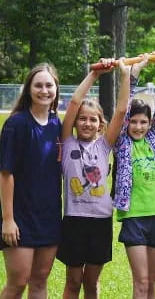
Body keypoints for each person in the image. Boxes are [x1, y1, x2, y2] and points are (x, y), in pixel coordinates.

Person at [57, 58, 130, 299]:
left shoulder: (104, 146)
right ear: (75, 122)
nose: (87, 123)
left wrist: (124, 75)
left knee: (91, 281)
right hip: (74, 220)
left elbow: (121, 110)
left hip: (100, 221)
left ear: (101, 124)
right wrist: (94, 75)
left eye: (93, 119)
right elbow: (75, 101)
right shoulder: (68, 144)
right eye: (82, 118)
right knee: (73, 280)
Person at [113, 53, 155, 299]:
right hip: (135, 217)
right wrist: (133, 74)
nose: (138, 126)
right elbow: (121, 110)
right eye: (134, 122)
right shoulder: (121, 142)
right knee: (140, 281)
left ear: (150, 124)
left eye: (143, 122)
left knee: (152, 281)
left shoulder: (153, 139)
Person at [0, 63, 62, 298]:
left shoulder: (57, 124)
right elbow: (5, 173)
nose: (44, 90)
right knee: (18, 281)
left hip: (49, 216)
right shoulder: (17, 124)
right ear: (28, 89)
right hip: (20, 217)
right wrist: (8, 220)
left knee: (39, 281)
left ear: (56, 88)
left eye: (49, 85)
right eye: (38, 85)